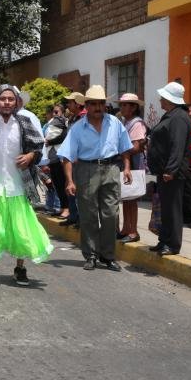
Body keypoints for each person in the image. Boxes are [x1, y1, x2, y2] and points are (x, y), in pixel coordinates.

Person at [0, 85, 53, 287]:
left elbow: (37, 146)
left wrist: (30, 156)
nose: (7, 103)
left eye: (11, 99)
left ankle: (20, 269)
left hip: (17, 185)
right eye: (3, 99)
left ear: (16, 102)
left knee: (21, 231)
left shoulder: (24, 122)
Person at [58, 85, 133, 271]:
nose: (98, 107)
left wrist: (127, 168)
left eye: (101, 103)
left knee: (111, 214)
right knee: (88, 215)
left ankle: (108, 256)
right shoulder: (77, 128)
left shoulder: (115, 123)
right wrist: (70, 180)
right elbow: (66, 156)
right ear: (87, 105)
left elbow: (125, 147)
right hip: (86, 169)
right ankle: (91, 255)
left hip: (111, 169)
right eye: (93, 104)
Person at [147, 81, 191, 256]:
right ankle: (164, 240)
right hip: (164, 171)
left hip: (172, 173)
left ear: (169, 99)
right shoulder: (171, 115)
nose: (160, 100)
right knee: (165, 208)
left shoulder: (179, 118)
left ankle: (173, 244)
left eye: (162, 97)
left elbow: (177, 146)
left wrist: (171, 170)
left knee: (172, 209)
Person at [117, 93, 148, 243]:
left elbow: (136, 147)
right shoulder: (126, 122)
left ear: (134, 107)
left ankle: (133, 231)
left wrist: (120, 149)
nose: (122, 108)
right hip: (126, 163)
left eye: (125, 105)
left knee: (132, 198)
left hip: (134, 164)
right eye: (121, 105)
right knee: (126, 197)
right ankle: (126, 228)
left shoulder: (137, 124)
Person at [60, 92, 86, 227]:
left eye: (70, 102)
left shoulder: (84, 118)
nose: (68, 105)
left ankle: (81, 218)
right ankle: (73, 215)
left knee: (80, 189)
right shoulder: (72, 118)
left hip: (79, 160)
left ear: (77, 103)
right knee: (69, 186)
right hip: (70, 158)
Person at [43, 103, 68, 215]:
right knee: (57, 184)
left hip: (60, 158)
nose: (54, 114)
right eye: (53, 112)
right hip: (51, 158)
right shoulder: (51, 123)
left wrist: (49, 141)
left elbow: (63, 136)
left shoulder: (65, 122)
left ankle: (67, 208)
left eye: (57, 112)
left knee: (63, 183)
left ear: (62, 112)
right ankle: (62, 207)